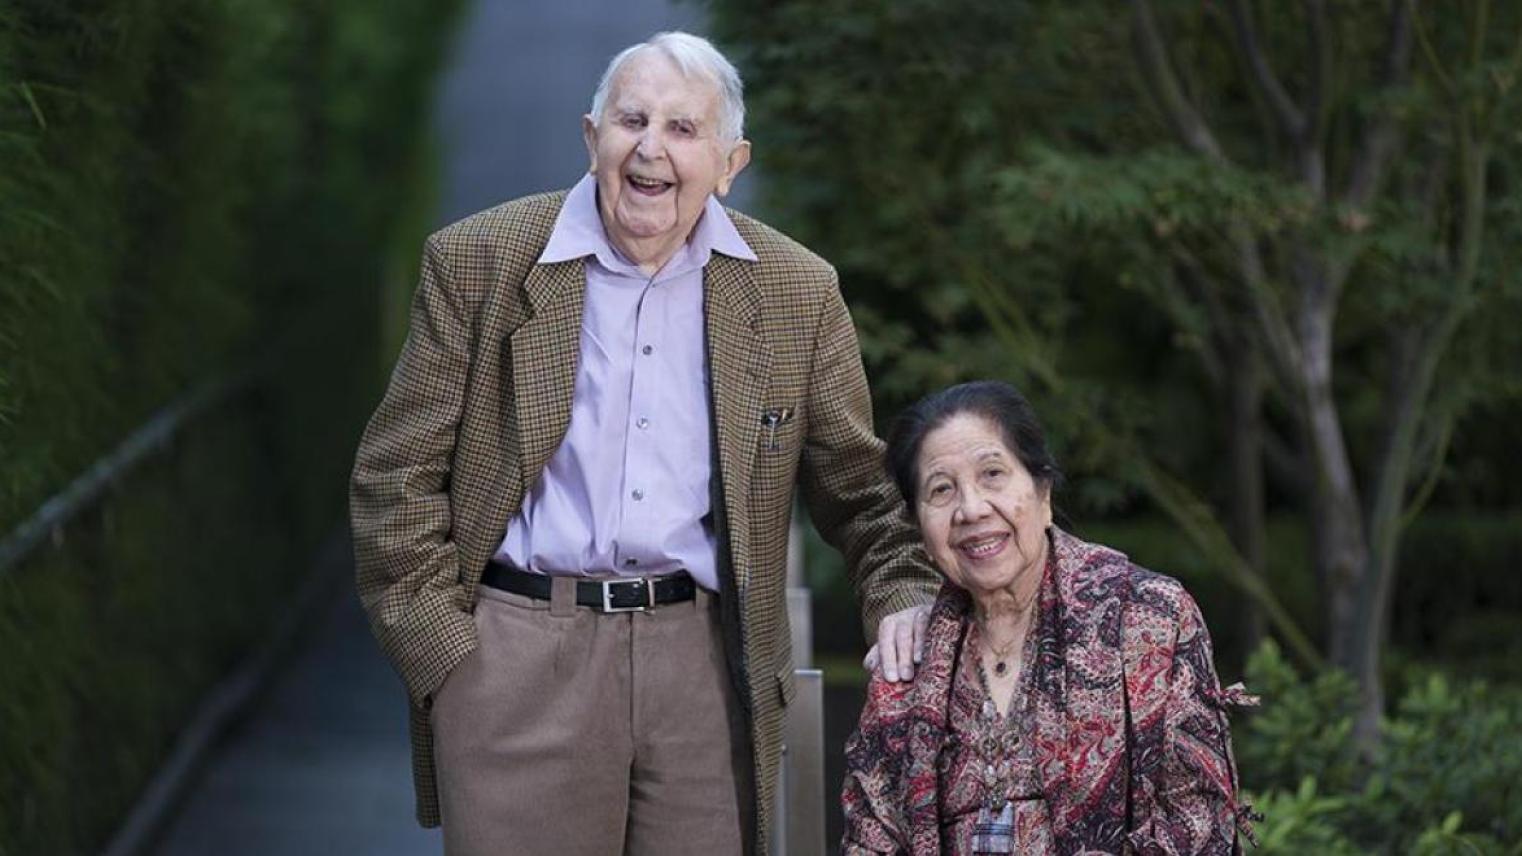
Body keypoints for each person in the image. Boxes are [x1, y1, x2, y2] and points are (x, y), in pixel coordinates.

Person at [349, 31, 937, 856]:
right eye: (632, 120)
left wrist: (903, 596)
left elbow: (862, 493)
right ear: (592, 138)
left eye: (683, 129)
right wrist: (450, 660)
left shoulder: (795, 289)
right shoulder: (479, 260)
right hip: (517, 657)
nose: (650, 148)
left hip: (705, 668)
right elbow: (393, 476)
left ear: (730, 163)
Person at [841, 381, 1257, 855]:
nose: (971, 509)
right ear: (919, 529)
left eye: (992, 474)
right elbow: (870, 841)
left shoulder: (1150, 618)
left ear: (1043, 492)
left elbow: (1199, 820)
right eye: (941, 490)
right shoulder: (906, 664)